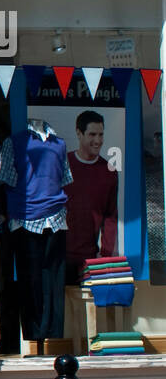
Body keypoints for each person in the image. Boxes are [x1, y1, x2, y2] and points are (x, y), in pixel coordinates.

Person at [64, 110, 118, 284]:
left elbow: (111, 216)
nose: (98, 140)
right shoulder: (63, 164)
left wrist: (106, 255)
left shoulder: (109, 171)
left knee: (88, 309)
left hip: (90, 258)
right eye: (92, 134)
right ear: (79, 134)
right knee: (59, 307)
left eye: (101, 134)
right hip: (59, 255)